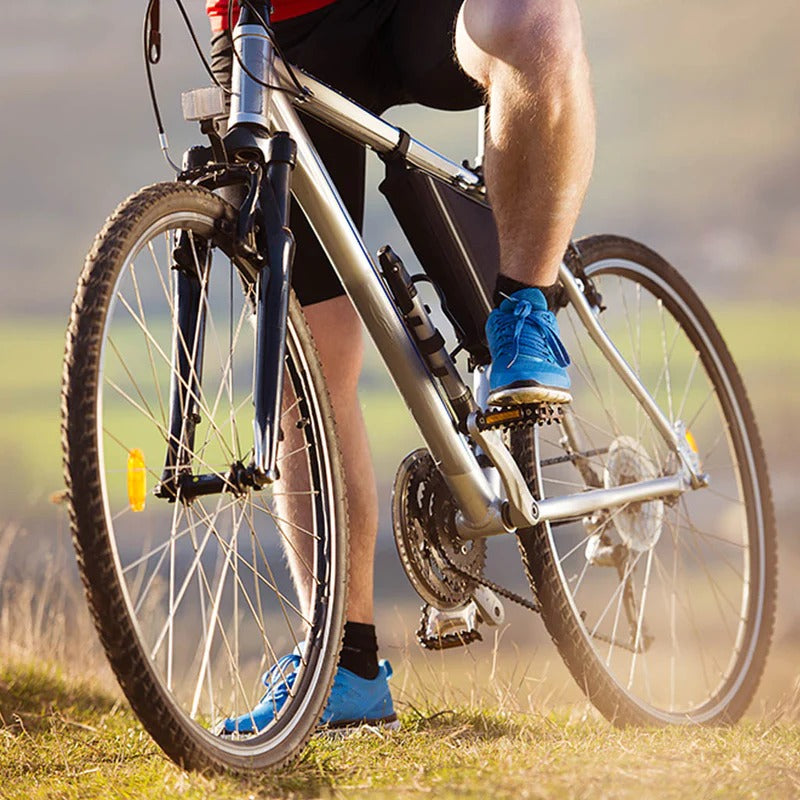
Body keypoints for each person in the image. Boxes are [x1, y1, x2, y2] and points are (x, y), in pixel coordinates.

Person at [207, 0, 595, 734]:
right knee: (307, 375)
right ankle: (345, 662)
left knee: (536, 26)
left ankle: (524, 307)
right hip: (268, 25)